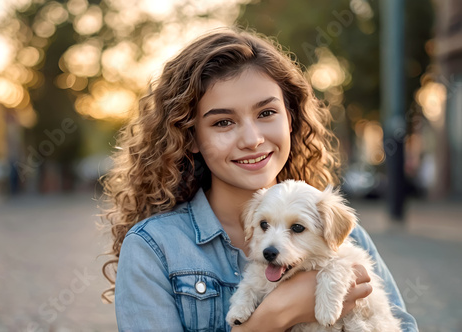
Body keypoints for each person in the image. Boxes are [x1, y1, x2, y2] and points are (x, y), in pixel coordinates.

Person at [100, 27, 418, 332]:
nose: (252, 139)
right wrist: (269, 321)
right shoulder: (154, 247)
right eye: (223, 122)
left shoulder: (344, 236)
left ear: (290, 118)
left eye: (266, 113)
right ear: (192, 137)